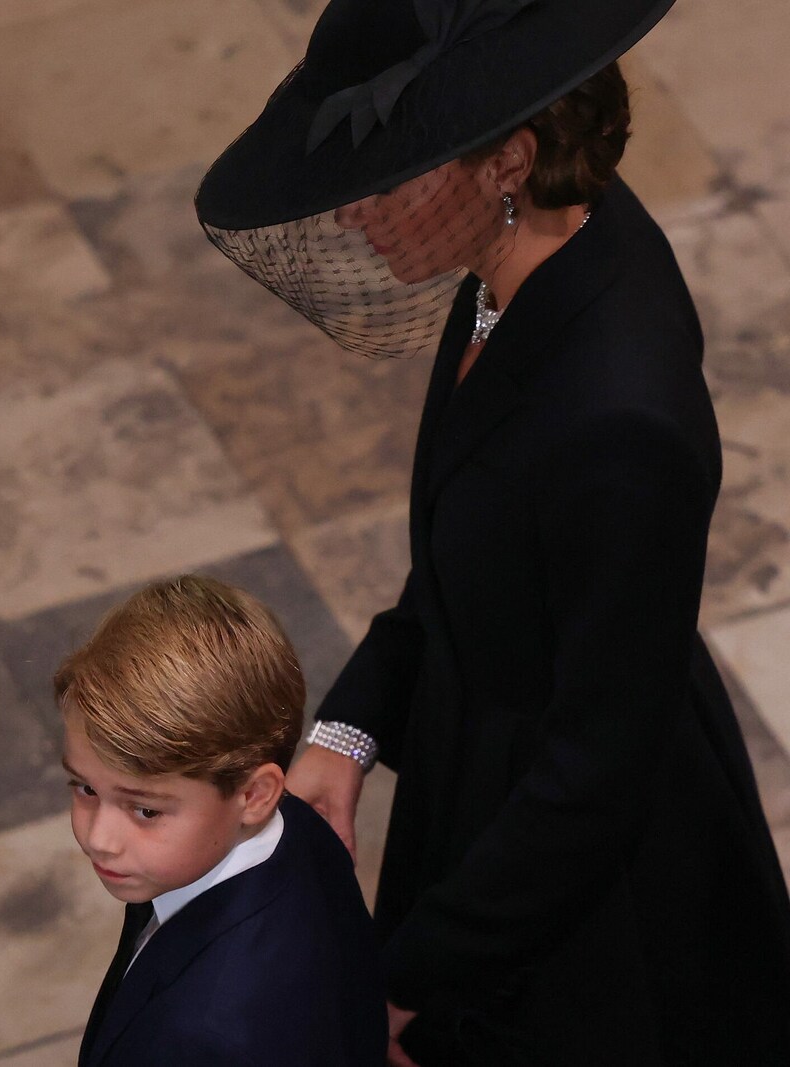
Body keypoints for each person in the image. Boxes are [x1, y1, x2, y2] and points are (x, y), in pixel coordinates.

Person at [195, 1, 790, 1063]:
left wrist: (408, 985)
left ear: (507, 158)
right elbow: (473, 559)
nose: (351, 215)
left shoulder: (620, 416)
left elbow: (594, 773)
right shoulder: (530, 258)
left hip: (583, 884)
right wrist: (349, 730)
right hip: (495, 773)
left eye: (393, 175)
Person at [55, 574, 387, 1067]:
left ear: (254, 795)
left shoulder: (205, 1038)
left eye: (145, 810)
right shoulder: (294, 826)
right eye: (86, 789)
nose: (98, 839)